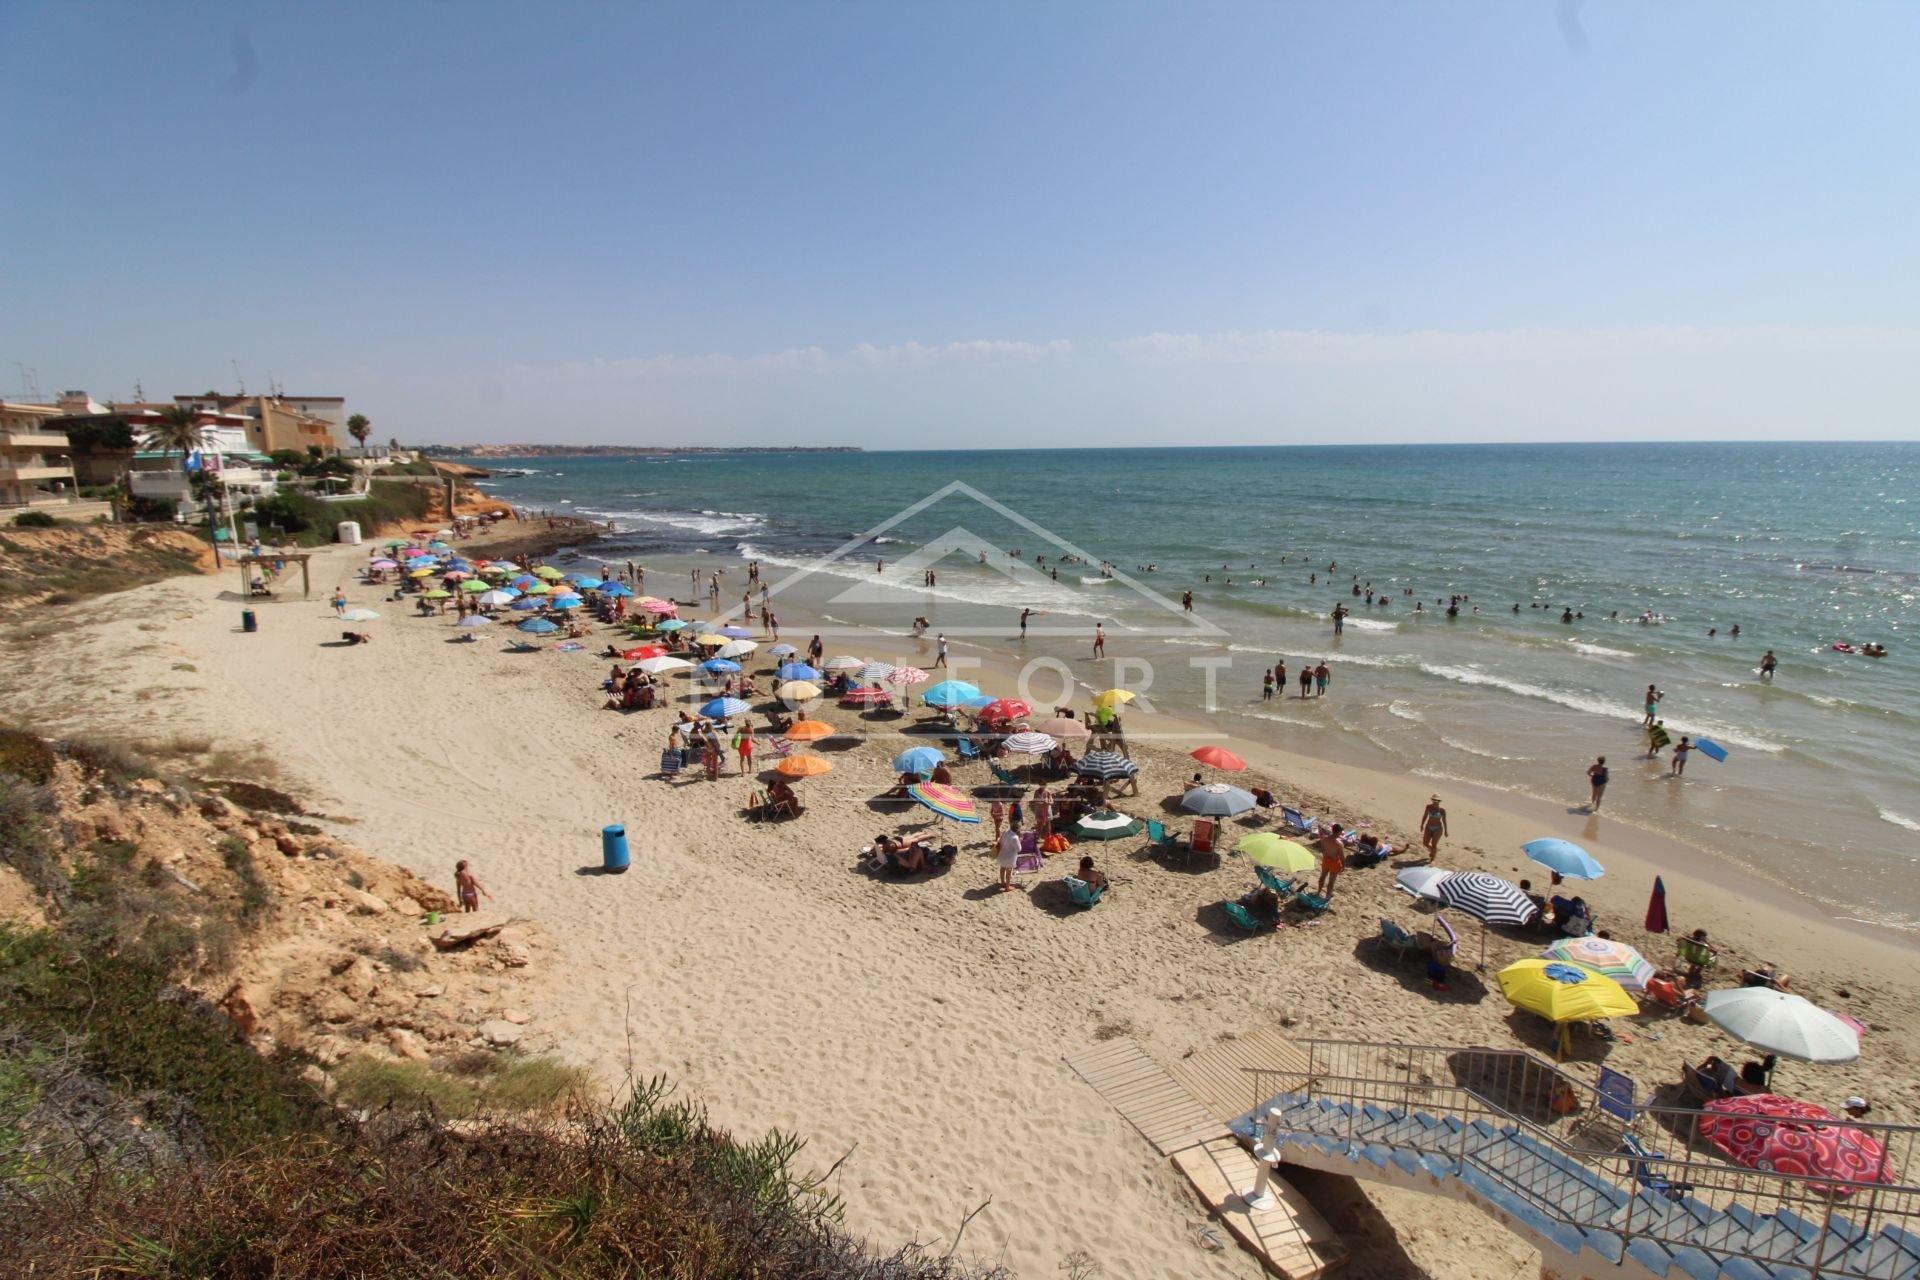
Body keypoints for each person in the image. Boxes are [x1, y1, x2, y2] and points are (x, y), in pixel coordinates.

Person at [1314, 822, 1346, 897]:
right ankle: (1327, 896)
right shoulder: (1339, 844)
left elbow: (1322, 850)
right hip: (1334, 862)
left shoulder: (1324, 839)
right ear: (1338, 832)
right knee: (1331, 881)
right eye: (1341, 831)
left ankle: (1318, 892)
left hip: (1326, 860)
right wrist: (1343, 865)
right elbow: (1341, 856)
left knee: (1322, 877)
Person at [1419, 796, 1448, 862]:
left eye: (1437, 800)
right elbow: (1425, 816)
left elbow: (1444, 820)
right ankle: (1433, 850)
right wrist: (1422, 825)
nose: (1436, 801)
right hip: (1428, 826)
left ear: (1439, 801)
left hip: (1438, 828)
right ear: (1432, 800)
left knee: (1434, 843)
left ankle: (1432, 857)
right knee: (1425, 843)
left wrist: (1446, 831)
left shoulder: (1442, 810)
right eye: (1434, 800)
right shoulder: (1428, 807)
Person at [996, 824, 1021, 893]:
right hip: (1009, 857)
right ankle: (1007, 887)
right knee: (1008, 872)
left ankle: (1002, 882)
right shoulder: (1015, 837)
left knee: (1002, 868)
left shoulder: (1005, 832)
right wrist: (1020, 840)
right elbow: (1019, 849)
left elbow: (1000, 841)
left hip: (1002, 854)